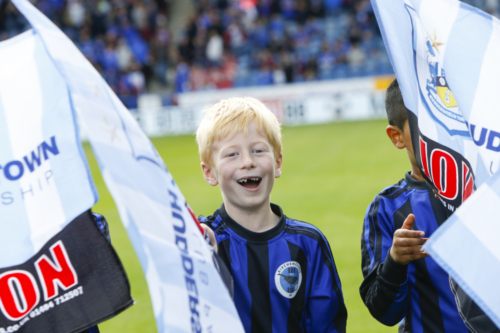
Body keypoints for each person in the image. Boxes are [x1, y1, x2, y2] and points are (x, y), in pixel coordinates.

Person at [196, 97, 347, 333]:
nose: (247, 162)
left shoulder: (308, 243)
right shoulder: (201, 242)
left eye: (258, 150)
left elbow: (326, 325)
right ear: (209, 172)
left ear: (277, 163)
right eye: (231, 154)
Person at [360, 79, 471, 332]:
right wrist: (395, 262)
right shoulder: (388, 209)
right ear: (396, 136)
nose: (439, 131)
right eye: (424, 122)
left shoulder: (485, 191)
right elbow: (384, 312)